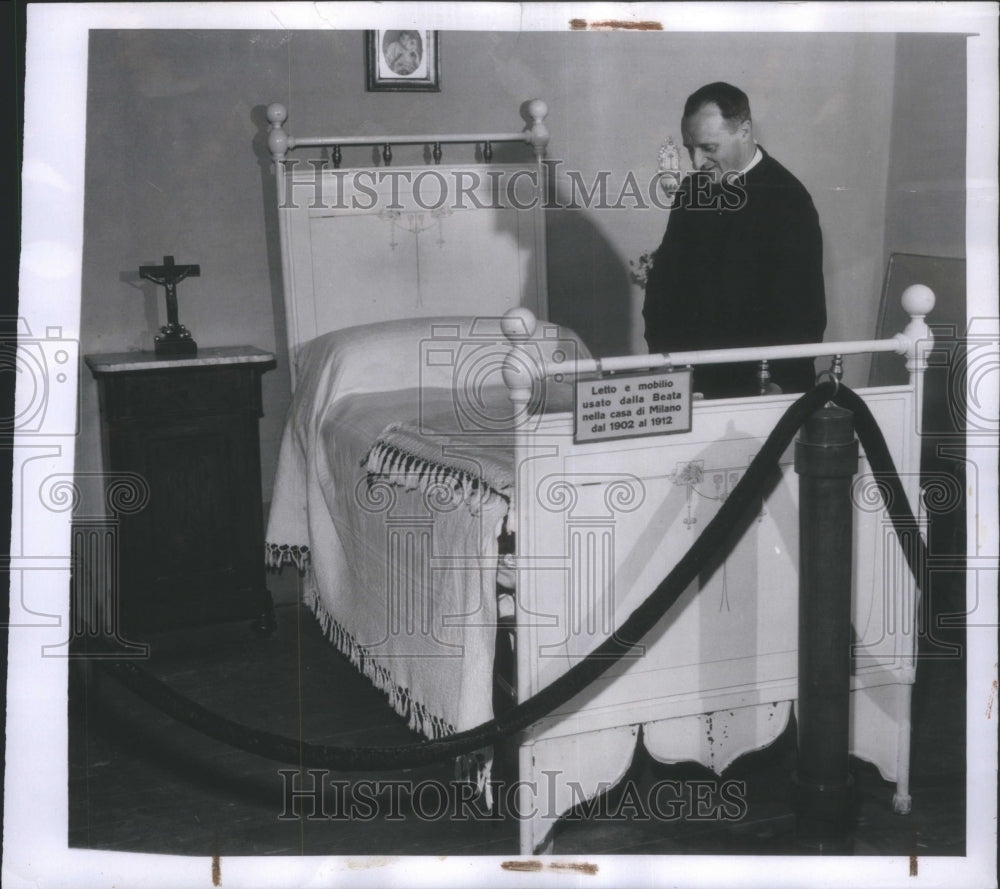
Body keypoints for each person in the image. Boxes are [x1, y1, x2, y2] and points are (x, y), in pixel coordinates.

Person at [642, 82, 826, 398]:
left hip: (759, 389)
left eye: (709, 148)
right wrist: (666, 369)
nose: (697, 162)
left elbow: (803, 314)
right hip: (691, 386)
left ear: (744, 131)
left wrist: (777, 387)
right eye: (690, 148)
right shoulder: (692, 191)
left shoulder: (789, 200)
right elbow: (662, 293)